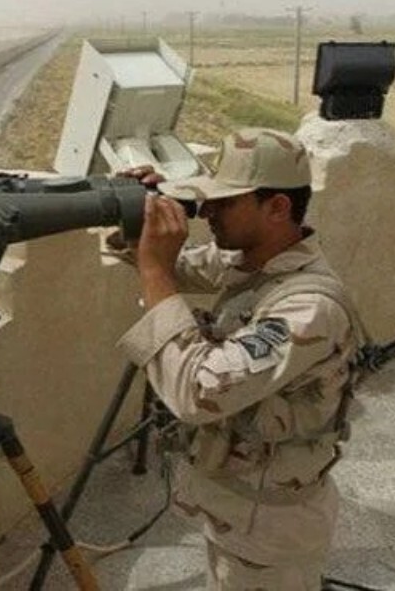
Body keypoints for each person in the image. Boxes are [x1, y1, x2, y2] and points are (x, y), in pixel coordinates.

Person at [113, 127, 364, 589]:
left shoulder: (308, 309)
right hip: (240, 513)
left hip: (269, 531)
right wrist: (137, 212)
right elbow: (174, 263)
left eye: (225, 202)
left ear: (277, 207)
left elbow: (197, 393)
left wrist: (154, 271)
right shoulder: (255, 260)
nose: (208, 212)